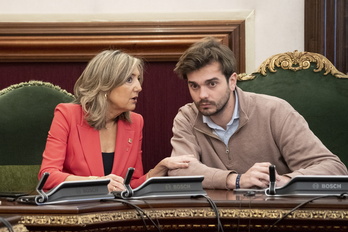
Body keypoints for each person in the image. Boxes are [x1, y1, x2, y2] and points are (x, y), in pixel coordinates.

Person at [168, 37, 348, 190]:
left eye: (212, 84)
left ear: (232, 81)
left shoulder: (275, 111)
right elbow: (179, 171)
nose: (202, 95)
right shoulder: (187, 117)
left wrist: (284, 181)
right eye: (194, 86)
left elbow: (333, 168)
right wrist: (236, 180)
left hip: (277, 218)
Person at [39, 50, 194, 192]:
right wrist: (97, 182)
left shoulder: (135, 122)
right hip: (77, 211)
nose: (139, 87)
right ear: (105, 85)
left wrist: (160, 169)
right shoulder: (67, 115)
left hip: (116, 213)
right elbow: (48, 176)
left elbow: (130, 183)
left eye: (138, 79)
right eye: (129, 79)